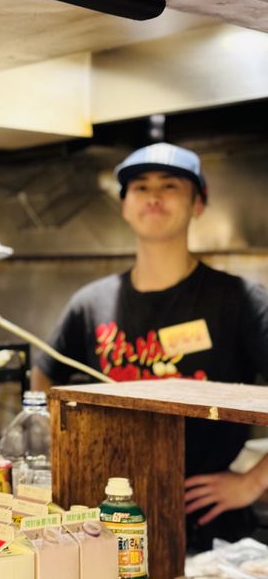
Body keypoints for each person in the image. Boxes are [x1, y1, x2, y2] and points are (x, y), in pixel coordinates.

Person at [31, 142, 268, 551]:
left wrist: (253, 481)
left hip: (205, 526)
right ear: (125, 206)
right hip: (102, 519)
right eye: (141, 187)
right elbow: (42, 380)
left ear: (198, 204)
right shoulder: (91, 303)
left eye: (170, 185)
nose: (154, 196)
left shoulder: (239, 300)